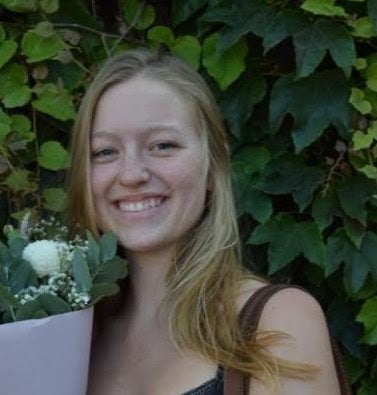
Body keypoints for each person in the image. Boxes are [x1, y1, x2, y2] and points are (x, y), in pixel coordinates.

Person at [67, 48, 344, 395]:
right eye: (105, 152)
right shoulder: (72, 337)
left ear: (214, 165)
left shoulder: (276, 320)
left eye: (163, 145)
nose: (132, 174)